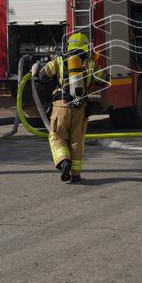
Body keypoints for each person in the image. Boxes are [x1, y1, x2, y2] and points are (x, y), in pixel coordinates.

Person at [32, 32, 93, 184]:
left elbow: (44, 75)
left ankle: (64, 161)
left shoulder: (59, 60)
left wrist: (37, 71)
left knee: (57, 135)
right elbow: (101, 79)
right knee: (77, 140)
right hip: (81, 107)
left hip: (62, 105)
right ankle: (76, 174)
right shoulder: (90, 63)